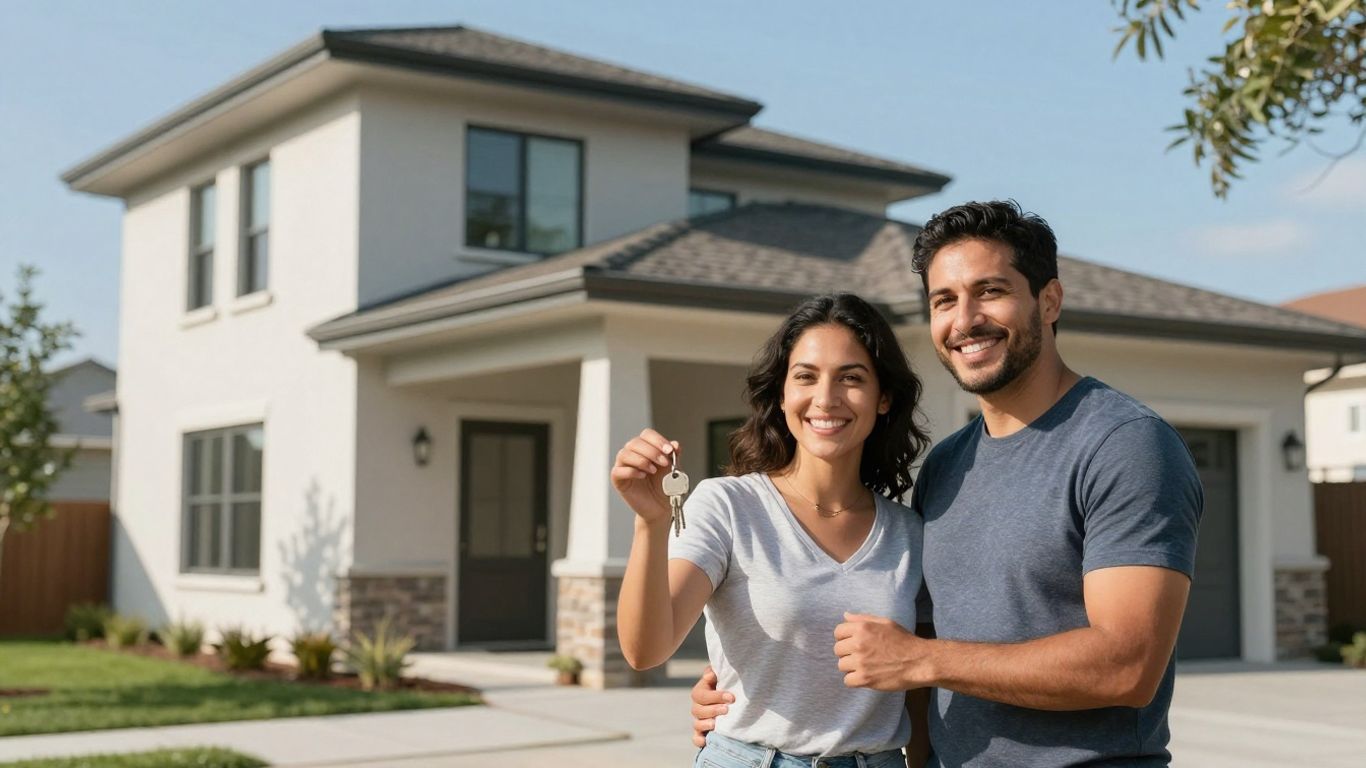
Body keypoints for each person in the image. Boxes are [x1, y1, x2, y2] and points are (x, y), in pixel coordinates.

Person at [691, 201, 1202, 767]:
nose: (965, 320)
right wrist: (747, 702)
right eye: (944, 300)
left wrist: (925, 660)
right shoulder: (948, 466)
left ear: (1049, 300)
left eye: (990, 291)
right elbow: (898, 654)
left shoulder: (1125, 445)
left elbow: (1127, 666)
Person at [612, 293, 935, 767]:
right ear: (782, 394)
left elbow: (917, 696)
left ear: (883, 397)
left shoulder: (910, 533)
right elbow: (646, 650)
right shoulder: (727, 504)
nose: (825, 398)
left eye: (851, 378)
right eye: (806, 376)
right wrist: (650, 523)